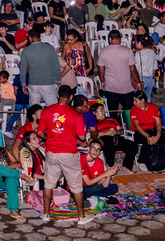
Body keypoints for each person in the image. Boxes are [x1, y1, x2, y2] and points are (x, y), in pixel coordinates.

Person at [37, 85, 91, 224]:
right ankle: (81, 217)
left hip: (52, 152)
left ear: (57, 95)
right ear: (71, 97)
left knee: (49, 184)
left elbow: (40, 132)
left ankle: (45, 213)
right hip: (68, 153)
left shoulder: (47, 111)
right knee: (76, 186)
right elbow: (82, 137)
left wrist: (50, 136)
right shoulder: (75, 114)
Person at [97, 29, 140, 113]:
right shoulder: (127, 51)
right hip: (126, 87)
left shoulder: (103, 51)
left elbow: (101, 69)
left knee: (113, 111)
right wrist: (138, 82)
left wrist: (102, 81)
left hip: (110, 87)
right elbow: (132, 69)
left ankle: (115, 125)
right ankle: (127, 125)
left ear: (109, 39)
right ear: (120, 39)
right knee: (128, 111)